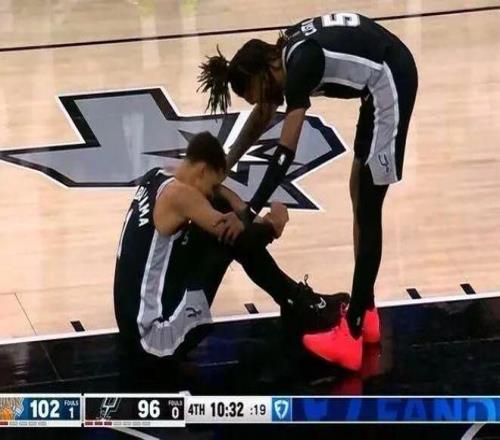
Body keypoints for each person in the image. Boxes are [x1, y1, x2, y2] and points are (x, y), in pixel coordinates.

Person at [197, 12, 418, 370]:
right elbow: (262, 116)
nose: (262, 104)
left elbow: (285, 153)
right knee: (357, 190)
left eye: (257, 95)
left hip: (390, 84)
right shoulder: (284, 57)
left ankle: (352, 333)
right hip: (376, 86)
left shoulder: (301, 64)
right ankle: (366, 312)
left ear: (263, 73)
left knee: (368, 207)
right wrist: (225, 162)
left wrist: (248, 214)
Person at [113, 131, 349, 382]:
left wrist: (238, 206)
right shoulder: (182, 196)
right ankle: (301, 306)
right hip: (155, 343)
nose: (211, 192)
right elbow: (233, 232)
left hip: (132, 335)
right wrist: (273, 225)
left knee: (221, 220)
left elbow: (221, 197)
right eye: (212, 185)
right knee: (227, 239)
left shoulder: (157, 178)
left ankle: (295, 303)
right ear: (202, 171)